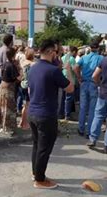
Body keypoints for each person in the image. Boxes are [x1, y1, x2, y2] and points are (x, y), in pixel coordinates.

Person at [28, 39, 74, 189]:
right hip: (46, 114)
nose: (57, 54)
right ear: (50, 52)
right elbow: (70, 88)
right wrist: (68, 71)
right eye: (56, 51)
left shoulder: (33, 68)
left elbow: (30, 90)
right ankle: (40, 179)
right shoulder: (53, 71)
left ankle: (36, 173)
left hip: (33, 112)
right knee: (44, 148)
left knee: (37, 145)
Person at [74, 42, 103, 138]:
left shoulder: (84, 57)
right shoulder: (100, 58)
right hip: (94, 84)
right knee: (92, 109)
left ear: (90, 48)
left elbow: (76, 67)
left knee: (83, 107)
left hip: (84, 83)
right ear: (98, 48)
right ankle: (89, 131)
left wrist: (79, 78)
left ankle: (81, 128)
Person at [0, 47, 21, 135]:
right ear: (14, 55)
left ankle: (2, 126)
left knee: (2, 108)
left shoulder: (4, 64)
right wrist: (20, 70)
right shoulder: (12, 65)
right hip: (8, 89)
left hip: (1, 88)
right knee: (9, 109)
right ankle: (8, 128)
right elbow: (18, 78)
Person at [60, 46, 78, 120]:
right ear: (73, 51)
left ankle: (61, 113)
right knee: (69, 98)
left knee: (62, 98)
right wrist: (78, 77)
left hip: (62, 79)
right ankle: (67, 115)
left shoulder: (63, 57)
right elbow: (74, 70)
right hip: (70, 80)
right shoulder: (72, 58)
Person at [19, 48, 35, 129]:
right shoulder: (33, 64)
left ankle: (21, 122)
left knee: (24, 104)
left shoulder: (22, 62)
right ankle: (25, 124)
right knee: (27, 105)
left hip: (22, 85)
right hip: (28, 86)